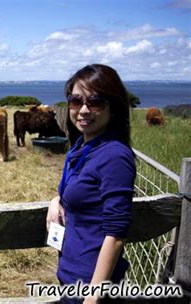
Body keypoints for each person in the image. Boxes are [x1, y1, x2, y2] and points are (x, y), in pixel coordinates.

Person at [46, 64, 136, 303]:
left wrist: (92, 298)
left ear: (113, 107)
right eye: (76, 101)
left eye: (95, 102)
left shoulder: (114, 156)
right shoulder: (82, 147)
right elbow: (82, 193)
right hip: (71, 280)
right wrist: (56, 201)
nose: (83, 110)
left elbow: (116, 234)